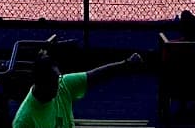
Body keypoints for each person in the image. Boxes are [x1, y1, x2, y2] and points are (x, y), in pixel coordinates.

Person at [12, 50, 142, 128]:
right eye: (53, 82)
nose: (58, 85)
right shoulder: (25, 121)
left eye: (58, 79)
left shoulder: (62, 84)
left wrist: (127, 64)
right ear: (40, 82)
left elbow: (96, 75)